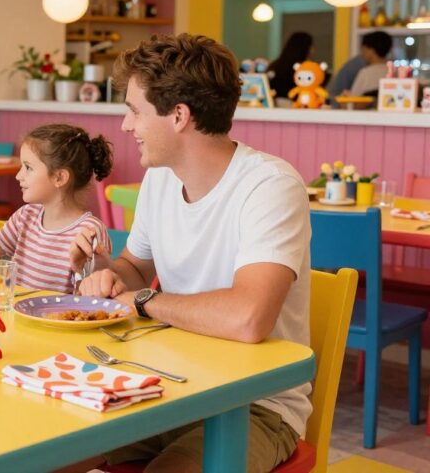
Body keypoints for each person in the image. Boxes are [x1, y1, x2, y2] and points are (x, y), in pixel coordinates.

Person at [71, 34, 311, 473]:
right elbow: (136, 268)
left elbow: (248, 318)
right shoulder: (161, 178)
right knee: (35, 455)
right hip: (166, 383)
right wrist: (107, 272)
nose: (126, 126)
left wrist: (143, 302)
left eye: (134, 111)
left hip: (251, 403)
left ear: (179, 116)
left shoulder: (270, 186)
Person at [0, 124, 113, 294]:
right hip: (17, 317)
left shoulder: (89, 232)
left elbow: (92, 298)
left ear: (59, 177)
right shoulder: (25, 216)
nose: (18, 175)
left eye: (28, 167)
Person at [268, 31, 314, 102]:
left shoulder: (276, 65)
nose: (313, 50)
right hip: (296, 106)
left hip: (273, 105)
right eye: (311, 47)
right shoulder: (304, 69)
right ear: (306, 48)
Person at [349, 31, 393, 97]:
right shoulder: (394, 72)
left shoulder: (366, 73)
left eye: (363, 49)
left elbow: (353, 101)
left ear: (371, 51)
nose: (362, 54)